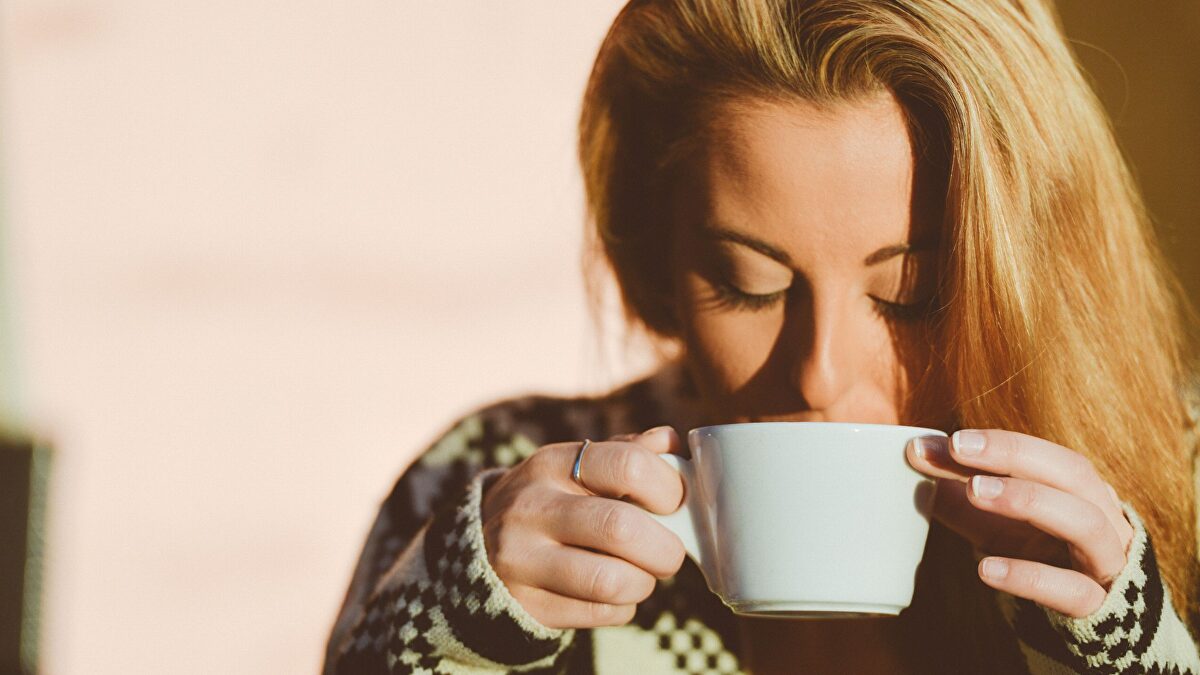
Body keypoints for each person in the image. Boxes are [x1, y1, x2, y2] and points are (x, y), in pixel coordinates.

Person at [323, 0, 1200, 672]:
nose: (818, 374)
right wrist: (447, 638)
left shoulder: (1179, 481)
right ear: (658, 257)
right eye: (752, 285)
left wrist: (1137, 645)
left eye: (911, 294)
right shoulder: (492, 473)